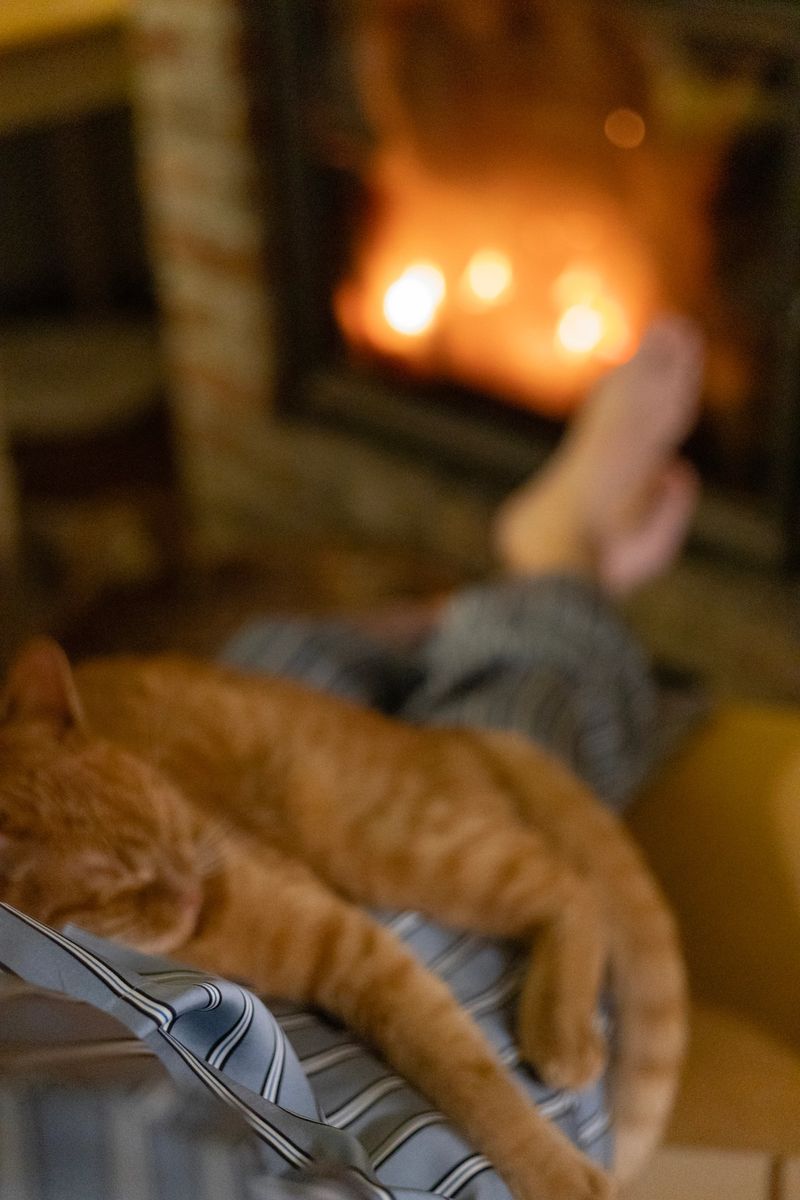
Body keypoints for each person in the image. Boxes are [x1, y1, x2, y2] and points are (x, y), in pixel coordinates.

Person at [0, 317, 705, 1200]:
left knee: (292, 677)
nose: (185, 895)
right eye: (129, 890)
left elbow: (193, 849)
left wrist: (181, 833)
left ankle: (470, 607)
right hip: (284, 1102)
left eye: (168, 844)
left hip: (214, 745)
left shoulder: (167, 854)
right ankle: (545, 575)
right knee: (487, 753)